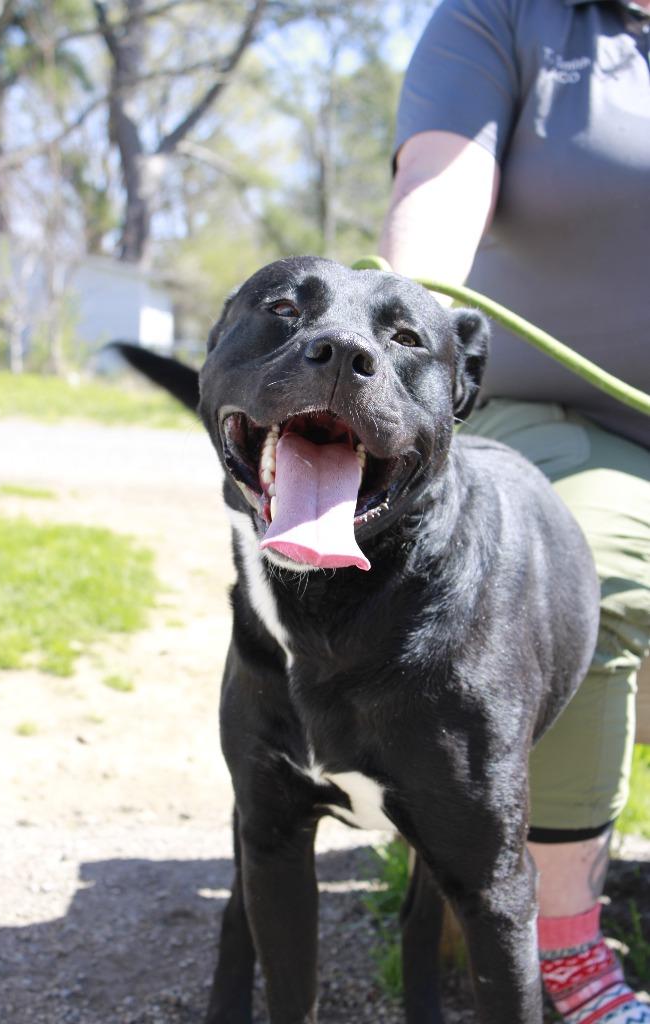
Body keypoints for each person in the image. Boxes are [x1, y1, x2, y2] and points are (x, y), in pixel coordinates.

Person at [379, 1, 650, 1022]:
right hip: (551, 416)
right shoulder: (507, 16)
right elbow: (441, 191)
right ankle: (563, 953)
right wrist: (406, 323)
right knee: (593, 564)